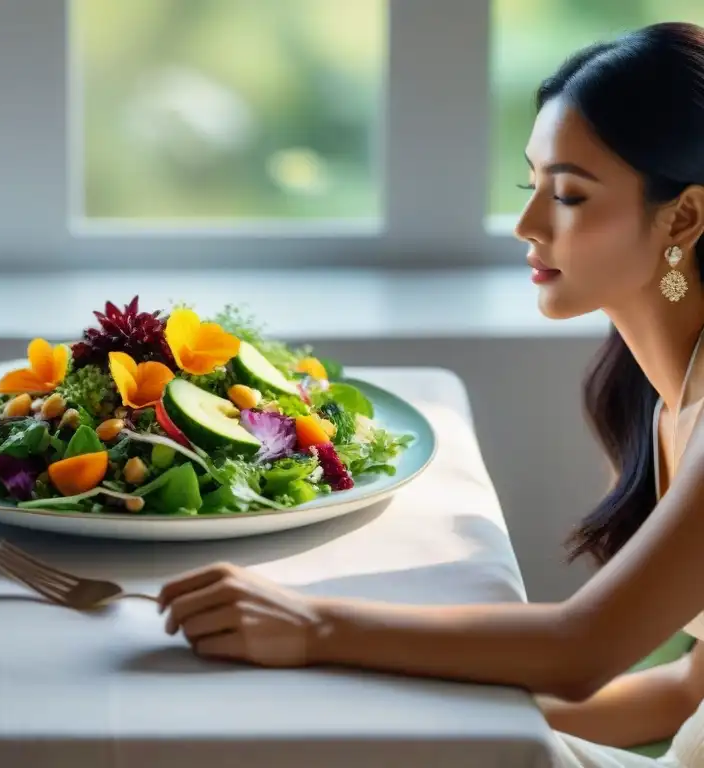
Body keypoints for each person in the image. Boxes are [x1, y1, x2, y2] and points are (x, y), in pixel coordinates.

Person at [157, 22, 704, 768]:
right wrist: (404, 694)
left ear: (686, 216)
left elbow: (585, 650)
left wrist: (318, 628)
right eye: (531, 184)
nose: (527, 224)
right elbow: (683, 690)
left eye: (570, 194)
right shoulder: (652, 393)